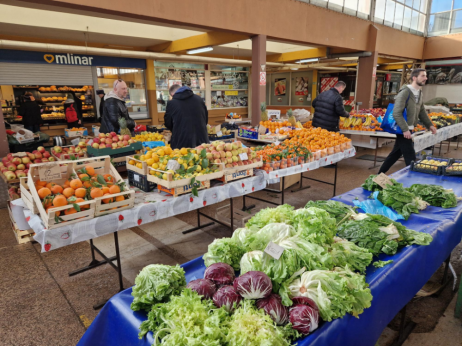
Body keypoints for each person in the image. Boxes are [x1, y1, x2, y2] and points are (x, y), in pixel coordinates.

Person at [378, 68, 437, 174]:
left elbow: (422, 111)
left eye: (425, 76)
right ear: (414, 78)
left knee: (395, 154)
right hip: (403, 130)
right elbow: (396, 113)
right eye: (422, 76)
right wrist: (405, 129)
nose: (426, 78)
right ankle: (414, 182)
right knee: (411, 159)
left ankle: (378, 176)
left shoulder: (419, 93)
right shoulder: (405, 92)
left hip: (409, 130)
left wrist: (430, 125)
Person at [164, 84, 209, 149]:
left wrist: (177, 129)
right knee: (201, 157)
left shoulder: (172, 103)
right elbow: (205, 118)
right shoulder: (198, 99)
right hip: (202, 140)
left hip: (182, 142)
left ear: (173, 93)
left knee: (184, 158)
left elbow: (168, 123)